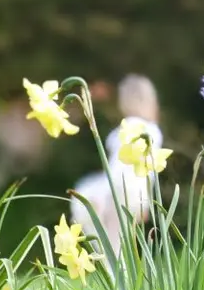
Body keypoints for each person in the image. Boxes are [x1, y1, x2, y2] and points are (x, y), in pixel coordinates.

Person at [68, 74, 162, 245]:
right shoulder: (152, 130)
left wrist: (102, 196)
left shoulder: (129, 128)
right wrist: (145, 201)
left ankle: (113, 271)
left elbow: (118, 169)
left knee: (112, 244)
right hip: (135, 194)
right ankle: (118, 271)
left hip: (117, 191)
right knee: (121, 243)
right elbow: (149, 171)